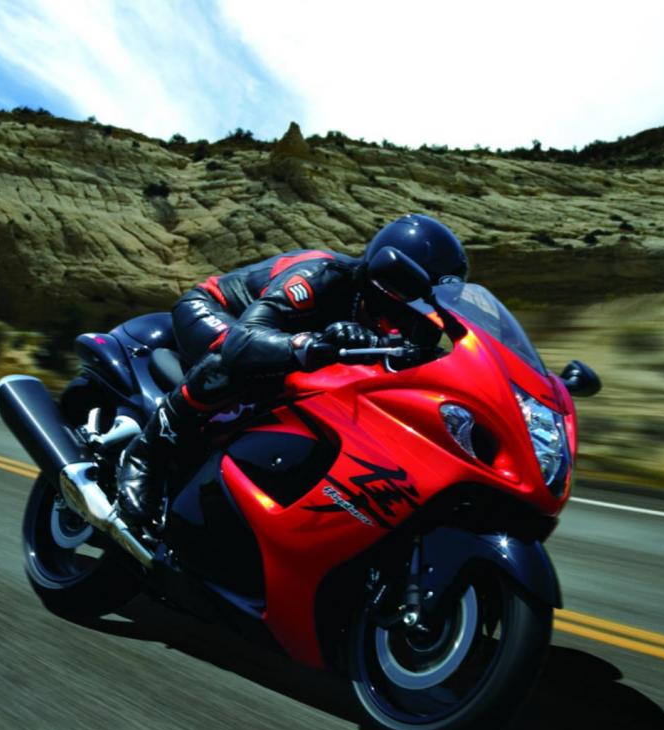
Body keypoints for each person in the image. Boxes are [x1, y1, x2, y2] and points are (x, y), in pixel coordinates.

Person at [115, 213, 470, 527]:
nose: (415, 309)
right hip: (218, 312)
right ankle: (146, 454)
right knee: (241, 361)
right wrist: (309, 343)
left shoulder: (420, 324)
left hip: (279, 346)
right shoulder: (322, 275)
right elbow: (242, 340)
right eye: (406, 289)